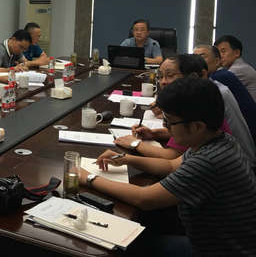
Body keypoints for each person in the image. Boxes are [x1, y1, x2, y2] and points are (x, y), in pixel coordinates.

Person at [82, 78, 256, 256]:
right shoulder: (217, 140)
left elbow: (144, 199)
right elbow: (171, 165)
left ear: (197, 126)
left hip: (217, 251)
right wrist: (126, 159)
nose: (165, 127)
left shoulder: (208, 161)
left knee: (121, 245)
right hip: (214, 241)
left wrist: (86, 177)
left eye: (170, 122)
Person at [117, 54, 255, 166]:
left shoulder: (199, 101)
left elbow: (172, 157)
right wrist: (155, 134)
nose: (163, 81)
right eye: (160, 76)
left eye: (170, 75)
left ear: (193, 77)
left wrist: (135, 144)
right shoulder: (206, 92)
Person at [194, 44, 256, 142]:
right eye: (194, 57)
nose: (196, 62)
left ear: (217, 61)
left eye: (202, 57)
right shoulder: (223, 74)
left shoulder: (219, 78)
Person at [215, 35, 256, 103]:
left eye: (223, 51)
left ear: (237, 53)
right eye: (218, 53)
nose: (220, 56)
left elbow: (212, 86)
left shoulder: (240, 69)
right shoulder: (229, 68)